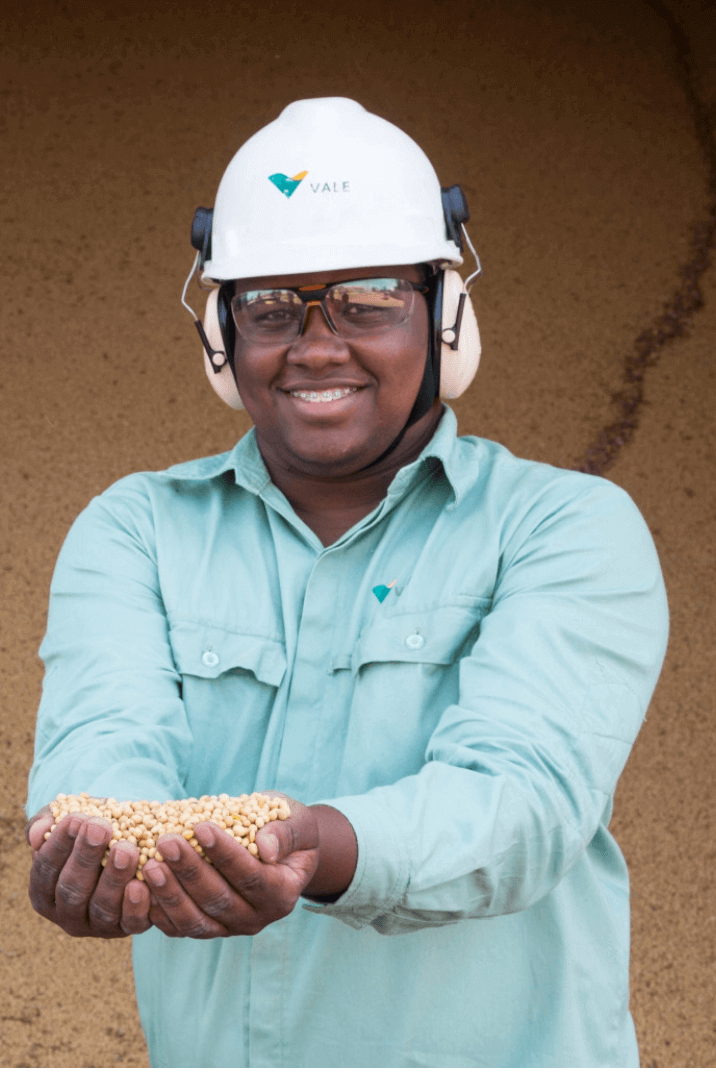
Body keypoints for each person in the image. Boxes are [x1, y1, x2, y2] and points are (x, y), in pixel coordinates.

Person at [25, 98, 669, 1068]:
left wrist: (311, 845)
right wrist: (99, 855)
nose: (317, 345)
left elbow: (519, 802)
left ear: (444, 315)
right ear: (221, 335)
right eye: (271, 308)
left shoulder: (563, 528)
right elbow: (101, 753)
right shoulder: (136, 531)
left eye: (368, 298)